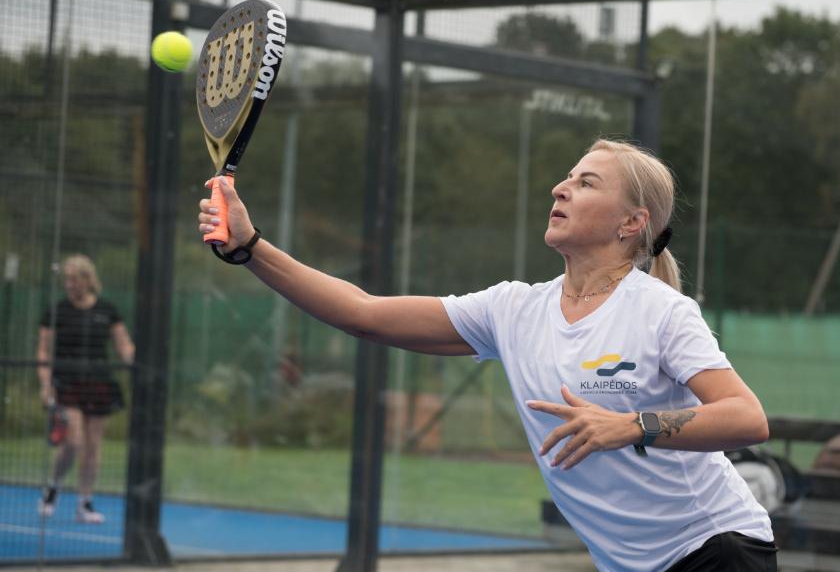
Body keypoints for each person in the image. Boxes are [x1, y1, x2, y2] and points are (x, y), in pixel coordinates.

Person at [198, 138, 776, 571]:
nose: (561, 189)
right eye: (567, 178)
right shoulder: (513, 309)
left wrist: (629, 425)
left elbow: (746, 418)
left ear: (632, 222)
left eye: (587, 183)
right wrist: (250, 247)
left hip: (716, 549)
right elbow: (362, 313)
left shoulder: (661, 311)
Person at [36, 254, 134, 524]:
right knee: (73, 442)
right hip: (67, 383)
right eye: (66, 279)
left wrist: (136, 360)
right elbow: (43, 350)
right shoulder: (56, 311)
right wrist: (45, 384)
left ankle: (85, 503)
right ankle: (53, 488)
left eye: (74, 279)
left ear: (88, 280)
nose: (69, 285)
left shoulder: (107, 310)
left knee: (92, 446)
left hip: (99, 383)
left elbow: (123, 345)